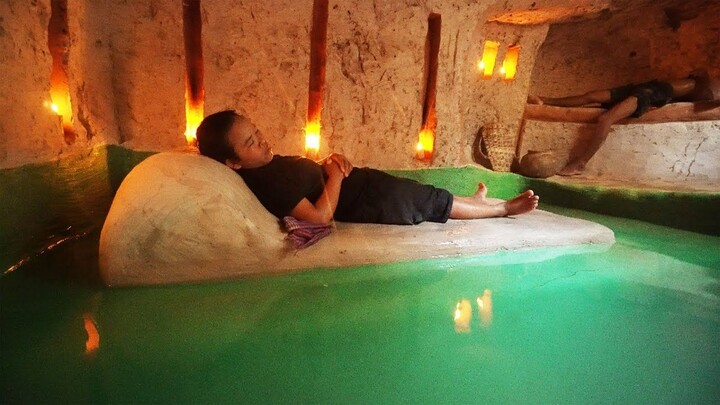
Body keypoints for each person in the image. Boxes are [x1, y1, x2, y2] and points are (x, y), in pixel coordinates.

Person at [196, 110, 539, 226]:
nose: (262, 140)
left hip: (362, 185)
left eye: (256, 131)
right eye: (250, 142)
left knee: (426, 194)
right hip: (366, 201)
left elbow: (306, 182)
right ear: (233, 162)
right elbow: (319, 217)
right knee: (431, 202)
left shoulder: (265, 166)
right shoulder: (268, 183)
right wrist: (334, 175)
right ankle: (501, 210)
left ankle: (475, 202)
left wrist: (328, 163)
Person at [528, 69, 718, 176]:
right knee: (591, 96)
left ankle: (580, 162)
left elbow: (710, 99)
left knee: (606, 119)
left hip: (651, 93)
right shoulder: (699, 79)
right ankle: (545, 100)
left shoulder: (704, 88)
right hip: (646, 86)